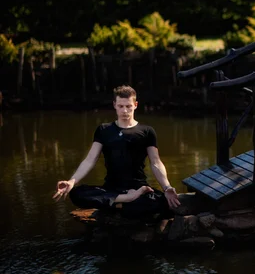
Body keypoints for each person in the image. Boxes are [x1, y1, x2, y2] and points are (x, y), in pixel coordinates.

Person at [53, 85, 181, 219]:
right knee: (76, 193)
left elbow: (156, 162)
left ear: (135, 105)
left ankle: (117, 204)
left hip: (138, 187)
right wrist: (72, 181)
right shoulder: (104, 129)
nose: (125, 110)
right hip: (111, 189)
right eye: (120, 106)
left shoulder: (147, 131)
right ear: (114, 105)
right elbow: (90, 159)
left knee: (163, 202)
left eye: (128, 106)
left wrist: (167, 187)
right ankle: (125, 200)